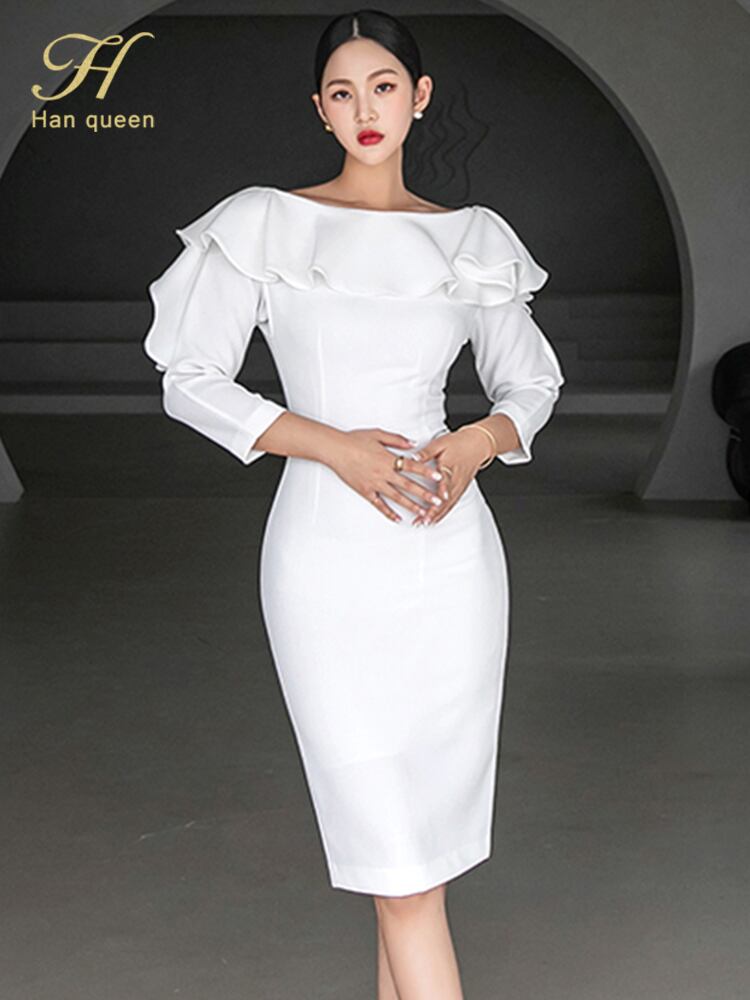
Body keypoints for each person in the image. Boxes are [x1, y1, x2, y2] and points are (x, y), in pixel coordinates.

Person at [143, 9, 565, 998]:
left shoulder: (472, 238)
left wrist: (475, 443)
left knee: (413, 871)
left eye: (383, 86)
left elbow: (532, 383)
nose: (364, 108)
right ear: (320, 110)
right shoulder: (263, 221)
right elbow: (189, 378)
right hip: (326, 558)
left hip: (449, 561)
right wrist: (332, 446)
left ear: (420, 98)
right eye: (342, 92)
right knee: (399, 869)